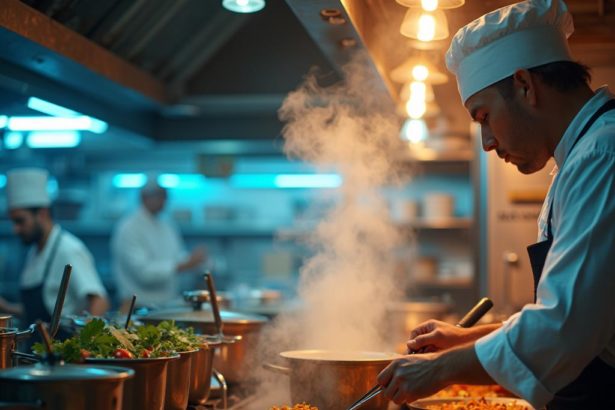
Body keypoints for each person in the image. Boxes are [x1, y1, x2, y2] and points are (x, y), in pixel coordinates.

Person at [377, 1, 615, 409]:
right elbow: (587, 308)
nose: (487, 142)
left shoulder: (602, 154)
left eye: (484, 116)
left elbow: (566, 326)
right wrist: (466, 337)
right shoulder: (582, 156)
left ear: (525, 86)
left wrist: (439, 368)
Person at [5, 168, 109, 325]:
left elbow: (100, 301)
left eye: (20, 221)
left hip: (59, 346)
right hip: (36, 347)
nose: (15, 229)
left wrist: (84, 343)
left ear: (42, 214)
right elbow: (38, 315)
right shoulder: (34, 251)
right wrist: (6, 307)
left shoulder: (68, 249)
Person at [111, 177, 207, 311]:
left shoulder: (166, 224)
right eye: (160, 197)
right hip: (137, 307)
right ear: (144, 197)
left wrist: (195, 261)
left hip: (167, 305)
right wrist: (184, 265)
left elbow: (178, 256)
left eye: (165, 197)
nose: (164, 202)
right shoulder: (129, 227)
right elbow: (143, 274)